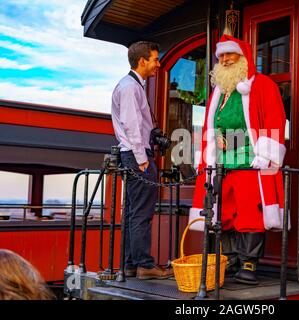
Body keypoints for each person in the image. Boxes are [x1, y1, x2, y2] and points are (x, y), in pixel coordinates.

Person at [188, 34, 287, 285]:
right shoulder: (219, 91)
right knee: (224, 212)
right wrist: (215, 144)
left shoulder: (263, 84)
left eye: (229, 54)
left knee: (250, 214)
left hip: (250, 163)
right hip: (222, 163)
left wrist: (266, 154)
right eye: (221, 56)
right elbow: (212, 126)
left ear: (243, 58)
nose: (225, 59)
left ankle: (249, 262)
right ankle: (229, 259)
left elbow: (275, 118)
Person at [111, 41, 172, 280]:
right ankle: (145, 265)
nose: (158, 64)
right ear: (142, 61)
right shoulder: (130, 88)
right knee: (141, 213)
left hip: (133, 155)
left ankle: (129, 265)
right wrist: (141, 159)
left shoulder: (131, 86)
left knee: (132, 212)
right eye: (155, 59)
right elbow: (131, 124)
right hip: (137, 156)